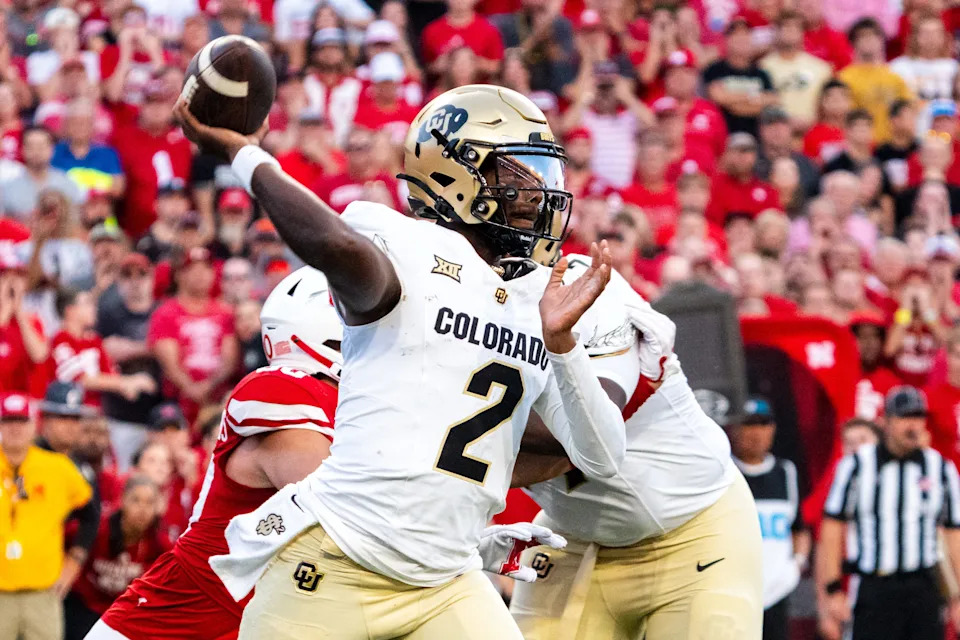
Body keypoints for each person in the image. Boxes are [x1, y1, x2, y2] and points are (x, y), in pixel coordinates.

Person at [177, 83, 627, 639]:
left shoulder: (542, 297)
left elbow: (603, 455)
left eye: (540, 176)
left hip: (444, 578)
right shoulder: (408, 252)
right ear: (455, 177)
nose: (539, 194)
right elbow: (336, 249)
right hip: (338, 558)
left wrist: (562, 344)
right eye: (518, 175)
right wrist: (246, 153)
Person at [509, 261, 763, 638]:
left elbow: (587, 445)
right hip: (572, 537)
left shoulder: (584, 290)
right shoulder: (451, 306)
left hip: (694, 529)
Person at [86, 269, 336, 639]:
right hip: (186, 611)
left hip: (262, 610)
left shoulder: (352, 403)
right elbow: (344, 508)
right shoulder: (282, 391)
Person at [817, 386, 960, 640]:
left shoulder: (941, 469)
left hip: (923, 586)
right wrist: (833, 587)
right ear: (885, 422)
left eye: (918, 417)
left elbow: (953, 534)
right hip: (876, 586)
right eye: (905, 417)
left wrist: (958, 595)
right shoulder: (856, 465)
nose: (913, 425)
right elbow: (831, 527)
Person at [0, 391, 93, 640]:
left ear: (34, 425)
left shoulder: (57, 467)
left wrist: (75, 560)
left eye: (21, 421)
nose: (14, 429)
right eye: (7, 421)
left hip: (42, 594)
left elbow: (91, 514)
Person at [730, 396, 811, 640]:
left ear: (773, 429)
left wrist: (797, 563)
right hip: (734, 593)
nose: (756, 433)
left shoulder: (786, 472)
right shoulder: (725, 473)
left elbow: (798, 527)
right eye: (749, 424)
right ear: (734, 429)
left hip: (776, 591)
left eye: (763, 424)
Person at [64, 476, 169, 640]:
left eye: (150, 503)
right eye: (136, 500)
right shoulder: (98, 529)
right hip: (84, 607)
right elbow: (61, 538)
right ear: (122, 500)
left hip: (125, 613)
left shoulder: (158, 543)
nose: (143, 509)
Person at [147, 247, 238, 420]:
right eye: (193, 269)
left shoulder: (225, 313)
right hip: (178, 402)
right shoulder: (166, 313)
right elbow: (170, 364)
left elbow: (229, 360)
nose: (200, 274)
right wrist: (192, 388)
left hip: (219, 400)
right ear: (179, 274)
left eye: (206, 268)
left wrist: (208, 386)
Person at [96, 252, 161, 471]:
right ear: (119, 281)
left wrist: (131, 349)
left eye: (141, 275)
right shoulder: (108, 313)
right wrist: (152, 349)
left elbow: (170, 349)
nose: (135, 282)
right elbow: (103, 351)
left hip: (159, 413)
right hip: (120, 413)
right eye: (127, 276)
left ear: (151, 278)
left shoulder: (161, 311)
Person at [49, 288, 156, 407]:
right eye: (87, 303)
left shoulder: (94, 341)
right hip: (70, 414)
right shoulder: (60, 341)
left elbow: (110, 375)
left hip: (98, 415)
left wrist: (129, 387)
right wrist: (127, 382)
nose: (94, 308)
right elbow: (81, 380)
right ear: (70, 310)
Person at [838, 18, 913, 142]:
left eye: (874, 36)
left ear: (882, 40)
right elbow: (843, 117)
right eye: (863, 36)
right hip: (861, 143)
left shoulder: (895, 76)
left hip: (891, 144)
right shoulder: (845, 78)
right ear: (853, 42)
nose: (869, 40)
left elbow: (907, 111)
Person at [702, 15, 778, 137]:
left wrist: (733, 101)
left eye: (746, 35)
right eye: (736, 35)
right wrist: (756, 98)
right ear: (727, 40)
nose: (742, 39)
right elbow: (718, 97)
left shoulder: (761, 73)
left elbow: (772, 99)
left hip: (756, 138)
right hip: (725, 136)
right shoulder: (715, 69)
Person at [759, 10, 833, 128]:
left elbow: (829, 108)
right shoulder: (762, 67)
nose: (790, 31)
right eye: (785, 26)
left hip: (812, 134)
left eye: (795, 27)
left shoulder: (821, 68)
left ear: (802, 33)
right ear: (776, 32)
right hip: (776, 133)